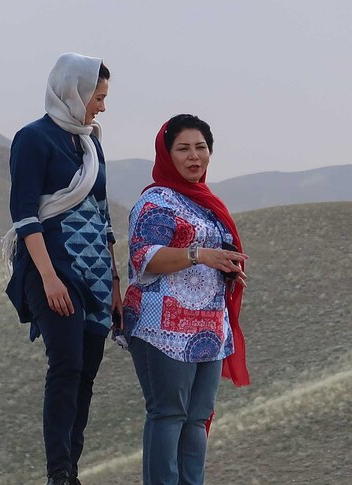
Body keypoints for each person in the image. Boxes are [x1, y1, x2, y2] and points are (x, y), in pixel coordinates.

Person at [2, 52, 122, 485]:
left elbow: (103, 215)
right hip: (51, 270)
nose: (102, 106)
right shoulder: (33, 138)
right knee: (66, 363)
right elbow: (24, 213)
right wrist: (49, 278)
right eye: (98, 96)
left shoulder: (91, 143)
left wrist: (115, 285)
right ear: (74, 89)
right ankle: (58, 474)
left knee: (87, 371)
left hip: (95, 275)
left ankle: (72, 469)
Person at [121, 114, 250, 485]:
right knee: (168, 414)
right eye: (183, 149)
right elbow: (144, 257)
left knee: (197, 419)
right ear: (166, 153)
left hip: (208, 326)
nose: (194, 156)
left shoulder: (207, 202)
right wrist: (201, 255)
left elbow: (214, 252)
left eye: (201, 148)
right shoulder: (156, 200)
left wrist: (225, 266)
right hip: (163, 327)